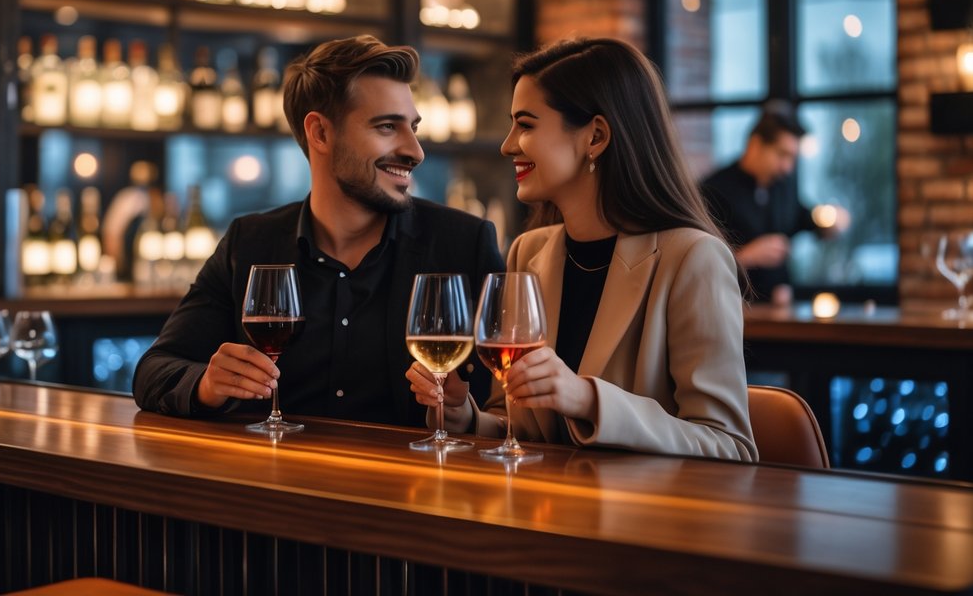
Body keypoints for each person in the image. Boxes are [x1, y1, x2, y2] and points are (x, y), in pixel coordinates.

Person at [406, 38, 757, 462]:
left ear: (596, 136)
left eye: (527, 124)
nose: (507, 144)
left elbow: (731, 447)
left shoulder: (694, 259)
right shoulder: (527, 253)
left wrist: (588, 399)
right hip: (540, 515)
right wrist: (463, 413)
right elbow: (517, 428)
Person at [133, 35, 503, 427]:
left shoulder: (463, 243)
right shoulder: (250, 242)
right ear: (320, 133)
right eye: (387, 127)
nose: (415, 150)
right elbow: (153, 372)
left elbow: (514, 416)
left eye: (412, 127)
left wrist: (464, 416)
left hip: (412, 485)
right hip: (273, 481)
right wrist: (207, 384)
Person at [700, 102, 844, 305]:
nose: (788, 167)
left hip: (780, 310)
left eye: (793, 158)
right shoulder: (713, 190)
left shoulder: (783, 188)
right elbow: (699, 263)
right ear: (756, 145)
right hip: (733, 311)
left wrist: (832, 224)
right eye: (782, 155)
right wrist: (745, 256)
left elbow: (806, 219)